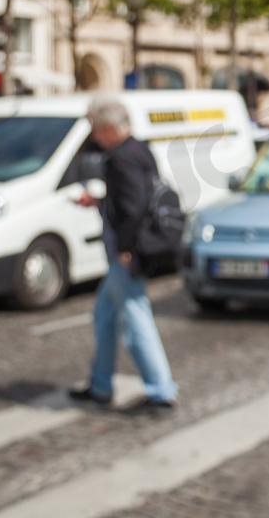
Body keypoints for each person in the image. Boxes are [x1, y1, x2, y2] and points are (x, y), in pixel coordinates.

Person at [69, 96, 177, 412]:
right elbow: (136, 200)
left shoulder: (120, 158)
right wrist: (100, 204)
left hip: (127, 252)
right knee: (105, 314)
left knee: (135, 316)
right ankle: (100, 384)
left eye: (95, 129)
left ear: (106, 127)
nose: (94, 136)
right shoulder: (138, 150)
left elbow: (133, 208)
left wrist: (127, 249)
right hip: (131, 247)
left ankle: (161, 391)